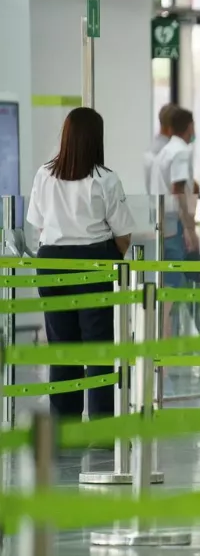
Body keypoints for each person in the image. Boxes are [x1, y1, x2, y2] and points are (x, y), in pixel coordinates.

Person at [26, 107, 137, 422]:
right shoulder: (105, 179)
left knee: (62, 343)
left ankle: (65, 422)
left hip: (51, 262)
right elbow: (123, 234)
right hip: (95, 261)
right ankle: (101, 422)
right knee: (99, 344)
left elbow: (37, 224)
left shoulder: (43, 175)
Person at [148, 107, 200, 339]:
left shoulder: (167, 150)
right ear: (189, 126)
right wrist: (190, 229)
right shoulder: (180, 151)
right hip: (174, 224)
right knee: (172, 288)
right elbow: (178, 190)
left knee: (171, 287)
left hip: (164, 221)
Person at [143, 103, 178, 193]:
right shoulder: (171, 153)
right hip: (168, 204)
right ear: (171, 128)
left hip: (153, 204)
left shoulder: (150, 150)